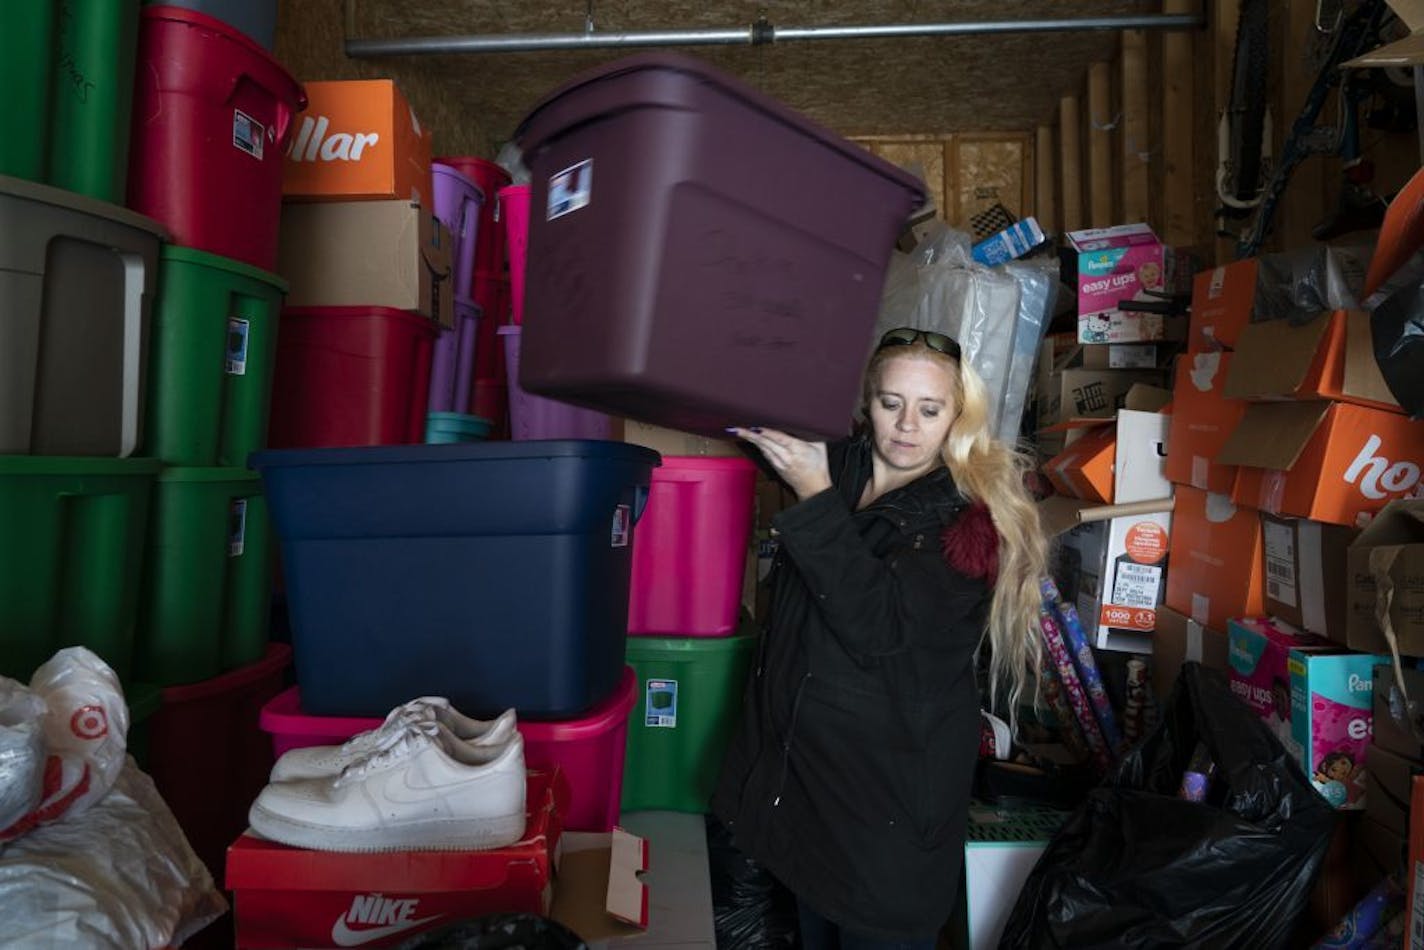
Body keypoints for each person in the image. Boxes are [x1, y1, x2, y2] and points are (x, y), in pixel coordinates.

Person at [713, 327, 1050, 948]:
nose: (907, 426)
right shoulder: (840, 464)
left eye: (930, 409)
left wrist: (812, 494)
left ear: (957, 417)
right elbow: (744, 406)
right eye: (890, 403)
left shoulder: (965, 527)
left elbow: (880, 630)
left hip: (886, 813)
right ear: (866, 403)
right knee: (813, 925)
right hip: (809, 794)